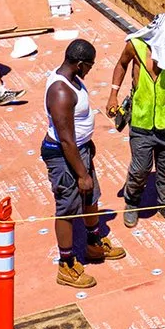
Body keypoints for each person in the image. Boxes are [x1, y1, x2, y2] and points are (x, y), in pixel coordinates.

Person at [43, 38, 126, 289]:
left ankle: (93, 243)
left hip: (80, 150)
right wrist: (81, 173)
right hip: (64, 155)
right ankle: (66, 265)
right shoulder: (60, 91)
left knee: (90, 197)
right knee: (67, 208)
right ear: (79, 64)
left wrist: (87, 144)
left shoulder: (73, 80)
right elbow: (66, 139)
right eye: (89, 66)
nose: (90, 70)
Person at [107, 13, 165, 228]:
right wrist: (113, 94)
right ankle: (132, 203)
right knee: (141, 168)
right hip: (141, 119)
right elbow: (121, 65)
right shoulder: (136, 46)